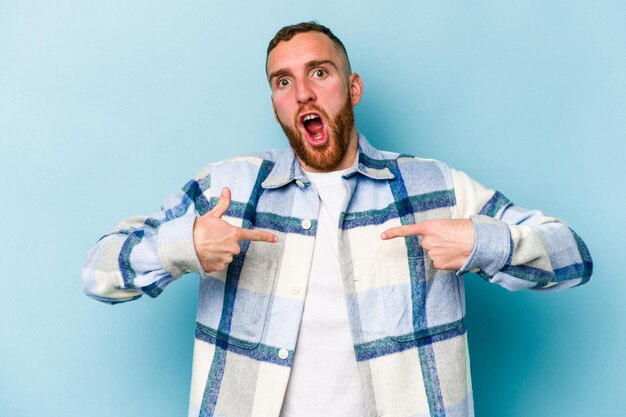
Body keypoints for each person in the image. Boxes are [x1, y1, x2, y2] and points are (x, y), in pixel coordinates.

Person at [82, 22, 592, 417]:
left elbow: (572, 255)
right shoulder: (227, 188)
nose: (302, 92)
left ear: (352, 88)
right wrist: (183, 246)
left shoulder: (433, 186)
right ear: (276, 102)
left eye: (318, 73)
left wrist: (482, 243)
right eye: (284, 81)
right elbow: (99, 272)